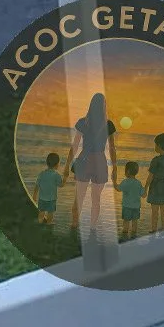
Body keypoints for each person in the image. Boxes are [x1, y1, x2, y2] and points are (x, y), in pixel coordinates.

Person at [67, 93, 116, 238]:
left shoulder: (84, 122)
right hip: (100, 161)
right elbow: (112, 148)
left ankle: (74, 226)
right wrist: (115, 168)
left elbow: (75, 145)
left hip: (84, 160)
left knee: (79, 197)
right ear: (103, 106)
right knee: (96, 199)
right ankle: (92, 229)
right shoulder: (108, 124)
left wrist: (66, 166)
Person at [146, 131, 164, 236]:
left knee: (154, 211)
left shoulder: (155, 160)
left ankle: (154, 229)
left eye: (155, 144)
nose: (155, 146)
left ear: (159, 145)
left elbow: (150, 177)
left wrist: (145, 188)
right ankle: (163, 228)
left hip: (155, 187)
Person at [34, 152, 64, 227]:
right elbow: (61, 185)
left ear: (47, 163)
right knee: (50, 213)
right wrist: (66, 178)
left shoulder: (42, 173)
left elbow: (37, 185)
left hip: (42, 198)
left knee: (41, 212)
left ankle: (40, 222)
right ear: (57, 165)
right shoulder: (57, 175)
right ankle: (49, 223)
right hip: (51, 199)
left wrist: (34, 195)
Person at [117, 162, 144, 241]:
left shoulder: (125, 182)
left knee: (126, 222)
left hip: (127, 206)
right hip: (136, 207)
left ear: (127, 171)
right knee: (134, 222)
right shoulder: (138, 183)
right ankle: (133, 236)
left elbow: (118, 189)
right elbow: (143, 194)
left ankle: (125, 236)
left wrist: (114, 182)